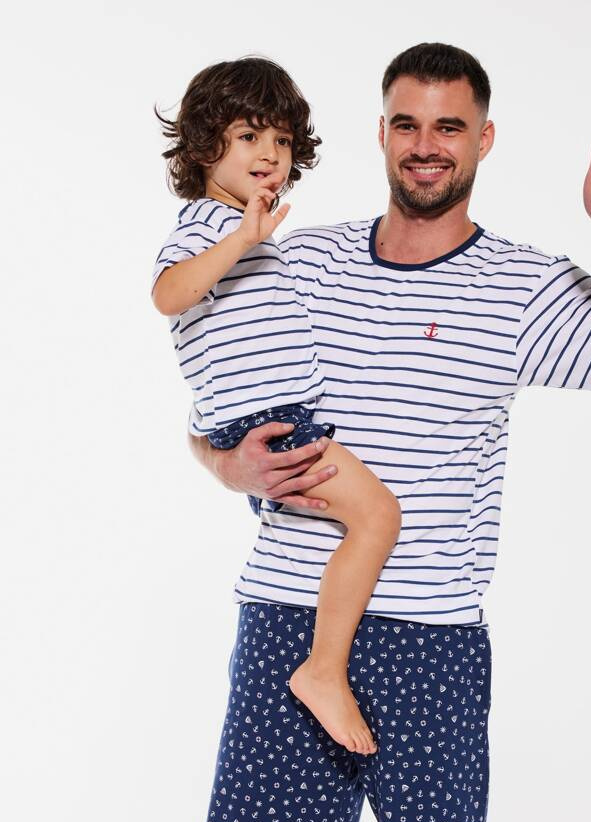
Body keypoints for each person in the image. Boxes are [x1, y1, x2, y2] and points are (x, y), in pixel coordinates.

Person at [190, 43, 591, 822]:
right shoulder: (295, 257)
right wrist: (228, 464)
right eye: (407, 123)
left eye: (449, 126)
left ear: (484, 138)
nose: (426, 145)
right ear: (381, 133)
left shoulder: (523, 286)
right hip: (287, 616)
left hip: (429, 633)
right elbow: (213, 402)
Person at [153, 57, 404, 756]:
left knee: (343, 529)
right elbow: (168, 295)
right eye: (248, 137)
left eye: (283, 141)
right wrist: (240, 239)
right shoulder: (210, 226)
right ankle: (322, 670)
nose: (269, 154)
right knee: (379, 516)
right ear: (204, 146)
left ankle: (326, 658)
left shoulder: (252, 232)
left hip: (279, 420)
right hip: (273, 426)